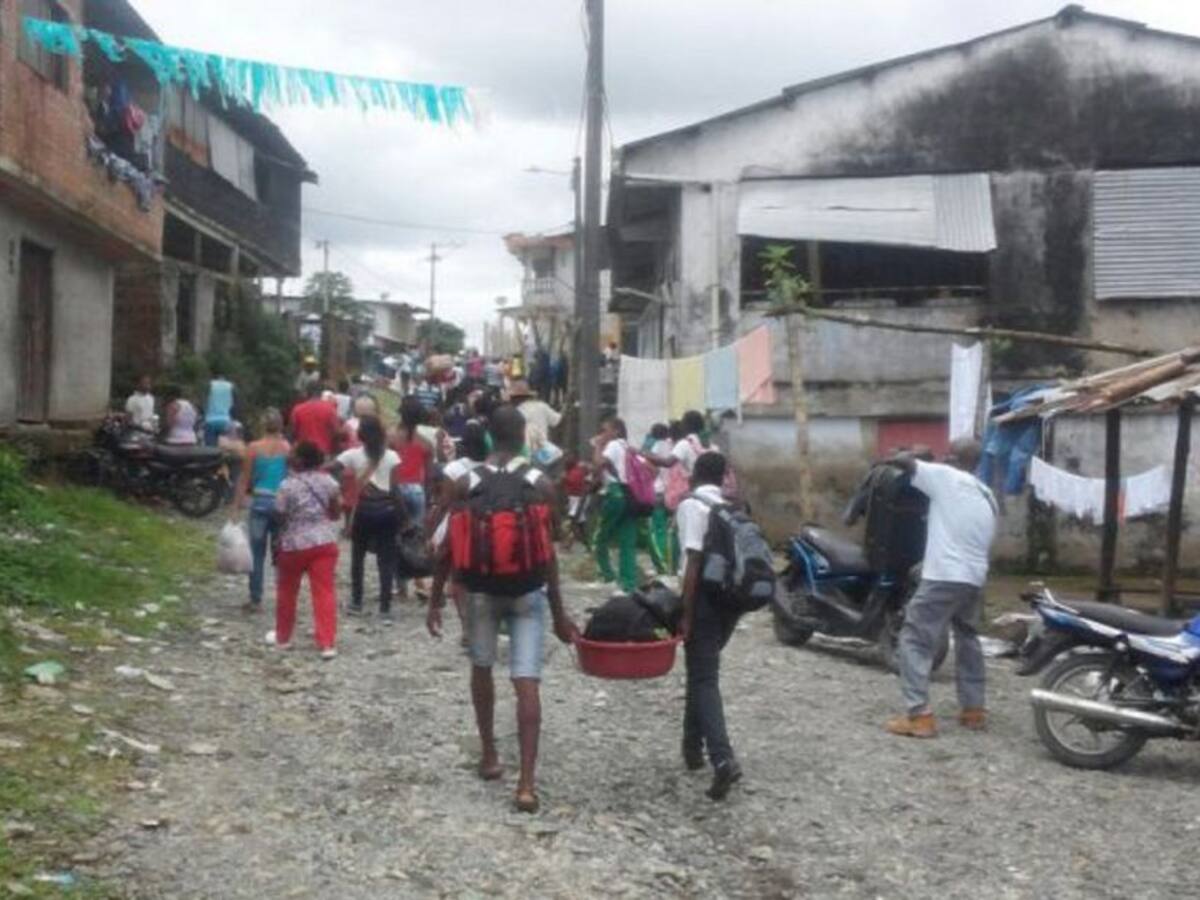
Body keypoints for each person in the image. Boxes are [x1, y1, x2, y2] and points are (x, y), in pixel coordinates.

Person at [426, 405, 579, 813]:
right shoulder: (541, 484)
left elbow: (448, 547)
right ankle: (527, 784)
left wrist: (437, 597)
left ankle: (491, 757)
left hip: (478, 591)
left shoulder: (464, 481)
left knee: (482, 668)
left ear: (491, 436)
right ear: (523, 435)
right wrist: (561, 615)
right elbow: (549, 555)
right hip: (528, 591)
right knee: (526, 680)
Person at [884, 439, 998, 738]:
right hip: (974, 577)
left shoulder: (946, 477)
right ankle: (974, 710)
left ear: (951, 457)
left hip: (945, 574)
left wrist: (911, 454)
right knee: (967, 637)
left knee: (914, 637)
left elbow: (902, 461)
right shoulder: (986, 493)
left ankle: (919, 715)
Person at [677, 451, 745, 801]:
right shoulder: (731, 507)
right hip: (730, 603)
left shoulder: (693, 506)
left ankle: (722, 759)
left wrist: (684, 612)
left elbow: (693, 560)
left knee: (704, 677)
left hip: (702, 599)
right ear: (722, 477)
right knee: (700, 671)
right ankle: (692, 748)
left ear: (694, 474)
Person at [271, 441, 342, 659]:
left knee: (287, 591)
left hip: (293, 545)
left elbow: (279, 515)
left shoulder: (287, 486)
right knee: (324, 592)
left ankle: (283, 638)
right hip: (323, 542)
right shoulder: (329, 482)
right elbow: (336, 513)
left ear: (300, 460)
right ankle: (327, 643)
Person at [332, 415, 403, 622]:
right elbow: (395, 490)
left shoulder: (352, 455)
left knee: (358, 558)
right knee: (386, 561)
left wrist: (338, 489)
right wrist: (404, 518)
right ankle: (385, 608)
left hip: (363, 511)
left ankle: (356, 601)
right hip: (387, 511)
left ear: (361, 434)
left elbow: (331, 467)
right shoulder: (392, 457)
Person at [234, 409, 290, 612]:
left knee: (257, 553)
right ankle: (284, 597)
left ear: (262, 425)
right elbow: (291, 477)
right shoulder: (287, 448)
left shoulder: (253, 448)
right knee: (281, 554)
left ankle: (255, 598)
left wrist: (236, 506)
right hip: (280, 504)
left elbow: (244, 479)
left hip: (259, 503)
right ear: (281, 425)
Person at [391, 396, 435, 600]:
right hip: (416, 490)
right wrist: (429, 498)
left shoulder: (391, 438)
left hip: (396, 489)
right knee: (415, 539)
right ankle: (419, 581)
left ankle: (400, 587)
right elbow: (429, 476)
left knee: (396, 538)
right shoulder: (425, 443)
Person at [593, 417, 640, 593]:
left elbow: (599, 464)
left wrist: (598, 446)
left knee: (599, 538)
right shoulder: (628, 447)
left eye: (605, 430)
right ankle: (628, 583)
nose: (602, 434)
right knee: (627, 541)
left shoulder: (613, 446)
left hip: (614, 493)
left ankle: (608, 576)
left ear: (616, 431)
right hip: (630, 495)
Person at [647, 422, 675, 571]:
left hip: (658, 491)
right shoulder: (674, 446)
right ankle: (673, 563)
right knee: (671, 529)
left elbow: (652, 470)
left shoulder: (655, 447)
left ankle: (662, 563)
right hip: (673, 493)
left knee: (658, 529)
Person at [509, 380, 562, 457]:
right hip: (545, 453)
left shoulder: (514, 413)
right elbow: (557, 421)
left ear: (514, 398)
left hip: (525, 455)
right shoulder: (542, 406)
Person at [289, 382, 341, 459]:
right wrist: (334, 450)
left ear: (306, 393)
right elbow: (336, 432)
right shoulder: (330, 409)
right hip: (323, 452)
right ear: (321, 394)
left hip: (303, 453)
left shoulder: (297, 410)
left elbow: (293, 432)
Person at [204, 371, 236, 446]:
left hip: (210, 420)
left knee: (210, 451)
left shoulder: (210, 385)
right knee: (226, 450)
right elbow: (235, 404)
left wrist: (204, 415)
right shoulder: (231, 386)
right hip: (226, 420)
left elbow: (205, 401)